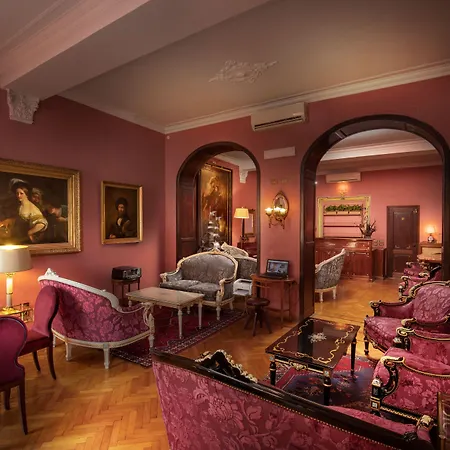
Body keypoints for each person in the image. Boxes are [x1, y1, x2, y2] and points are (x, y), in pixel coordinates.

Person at [0, 178, 48, 244]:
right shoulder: (21, 205)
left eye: (21, 193)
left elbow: (42, 223)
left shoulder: (31, 207)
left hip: (24, 239)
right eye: (17, 193)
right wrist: (9, 220)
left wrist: (30, 232)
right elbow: (20, 218)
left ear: (26, 194)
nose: (18, 195)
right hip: (17, 237)